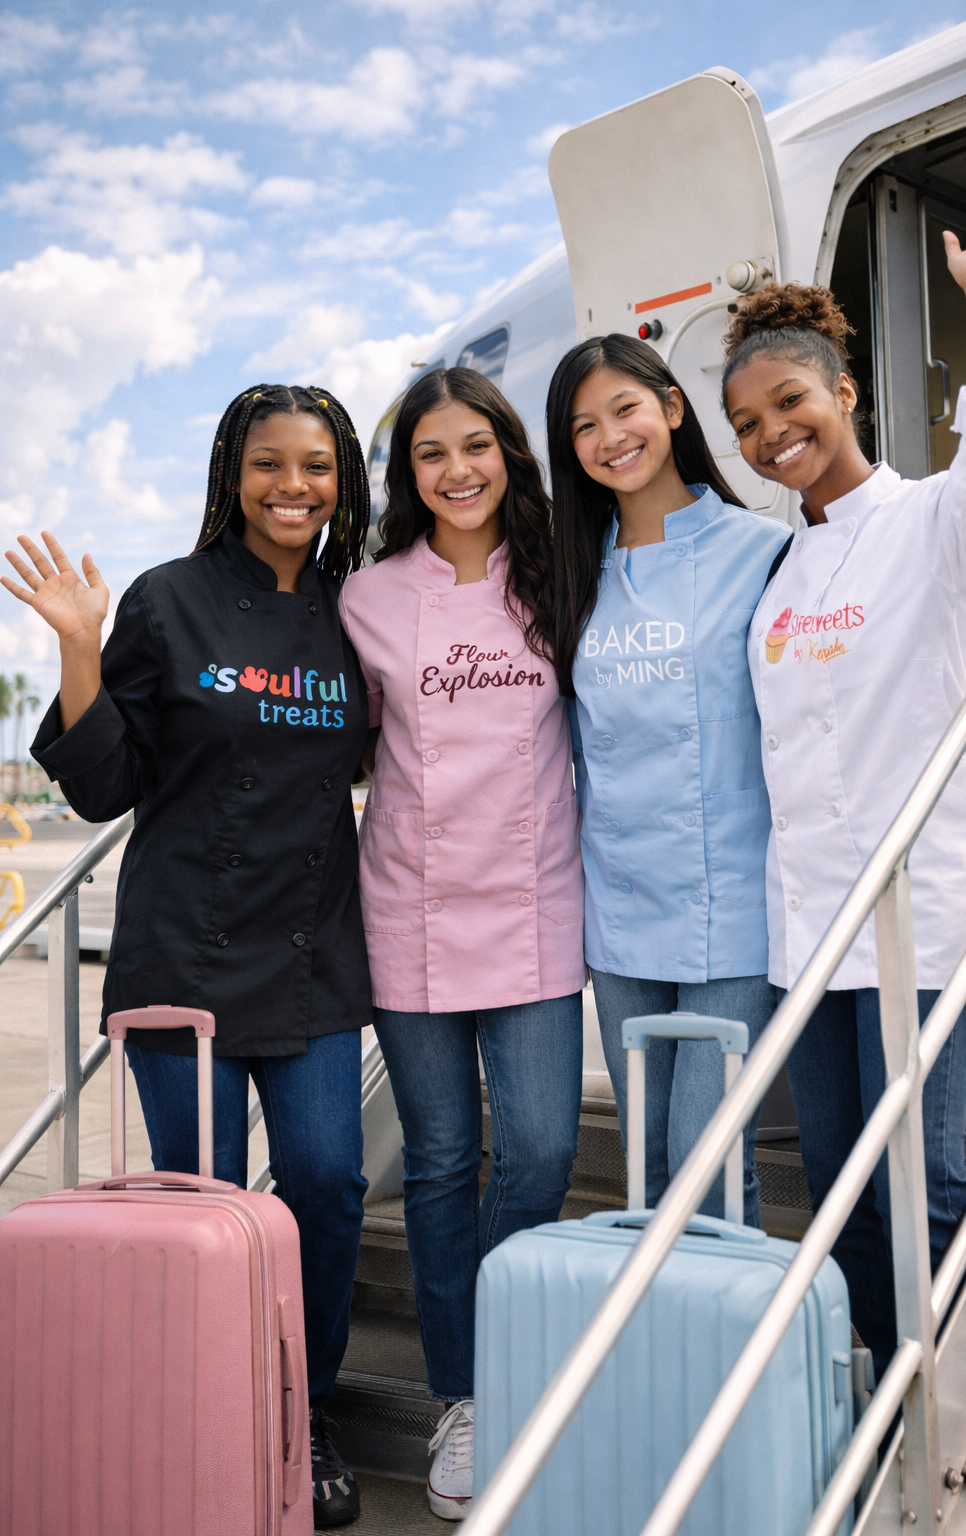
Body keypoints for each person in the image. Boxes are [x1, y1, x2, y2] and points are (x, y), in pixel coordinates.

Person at [3, 383, 374, 1530]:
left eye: (315, 466)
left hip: (313, 950)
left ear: (342, 479)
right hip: (185, 957)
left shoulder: (353, 610)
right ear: (232, 472)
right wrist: (77, 643)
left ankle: (301, 1408)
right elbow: (110, 780)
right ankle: (215, 1404)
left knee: (326, 1184)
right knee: (203, 1202)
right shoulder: (168, 602)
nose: (292, 488)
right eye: (269, 464)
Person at [724, 181, 966, 1376]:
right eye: (743, 422)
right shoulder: (780, 573)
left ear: (843, 394)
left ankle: (953, 1386)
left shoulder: (935, 523)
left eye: (787, 403)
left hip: (917, 914)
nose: (768, 436)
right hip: (809, 922)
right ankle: (876, 1375)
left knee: (922, 1170)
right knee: (840, 1176)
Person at [339, 365, 585, 1521]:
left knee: (535, 1151)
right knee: (438, 1164)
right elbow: (340, 746)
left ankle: (514, 1351)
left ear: (509, 452)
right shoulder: (370, 598)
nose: (457, 471)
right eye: (431, 454)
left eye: (474, 445)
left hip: (534, 903)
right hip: (411, 909)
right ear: (408, 476)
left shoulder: (561, 576)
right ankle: (464, 1397)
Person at [546, 333, 791, 1223]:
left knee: (707, 1156)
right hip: (620, 914)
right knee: (647, 1166)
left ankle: (745, 1358)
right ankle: (674, 1354)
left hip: (735, 906)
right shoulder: (574, 574)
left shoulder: (763, 550)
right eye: (583, 426)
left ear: (672, 408)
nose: (610, 438)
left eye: (625, 410)